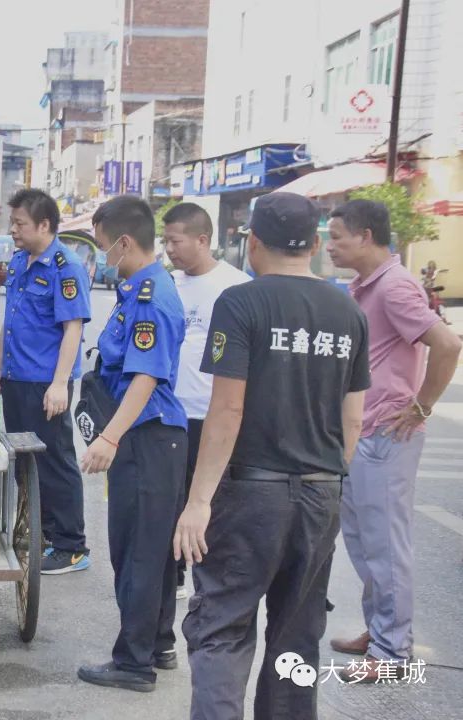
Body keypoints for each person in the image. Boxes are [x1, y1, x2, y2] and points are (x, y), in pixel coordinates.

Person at [173, 192, 370, 719]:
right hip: (320, 491)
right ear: (315, 244)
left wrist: (198, 502)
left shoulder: (241, 302)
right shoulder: (348, 311)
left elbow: (227, 411)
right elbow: (353, 420)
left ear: (252, 241)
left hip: (250, 495)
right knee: (296, 638)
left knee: (222, 629)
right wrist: (327, 479)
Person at [325, 200, 462, 679]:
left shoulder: (396, 287)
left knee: (385, 544)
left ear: (365, 236)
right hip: (363, 432)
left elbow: (447, 344)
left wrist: (422, 406)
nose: (330, 244)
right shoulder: (366, 286)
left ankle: (391, 653)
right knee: (364, 543)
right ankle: (380, 631)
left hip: (387, 433)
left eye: (338, 234)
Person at [75, 196, 187, 693]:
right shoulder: (137, 289)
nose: (99, 257)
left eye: (101, 247)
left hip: (145, 437)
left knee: (137, 552)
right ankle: (157, 643)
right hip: (150, 437)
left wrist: (108, 437)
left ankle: (133, 663)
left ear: (124, 241)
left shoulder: (149, 297)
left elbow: (145, 376)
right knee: (152, 551)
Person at [0, 188, 92, 575]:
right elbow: (9, 322)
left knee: (56, 461)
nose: (13, 230)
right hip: (16, 379)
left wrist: (61, 383)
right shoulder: (17, 263)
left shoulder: (65, 266)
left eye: (20, 224)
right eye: (12, 223)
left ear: (44, 225)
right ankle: (42, 533)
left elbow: (73, 328)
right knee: (25, 462)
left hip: (46, 384)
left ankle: (71, 546)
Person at [163, 202, 251, 600]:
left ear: (202, 239)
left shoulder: (235, 287)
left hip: (210, 416)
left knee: (209, 502)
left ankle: (207, 579)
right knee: (171, 501)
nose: (169, 249)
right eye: (165, 241)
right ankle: (174, 574)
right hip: (168, 413)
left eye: (175, 241)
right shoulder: (167, 284)